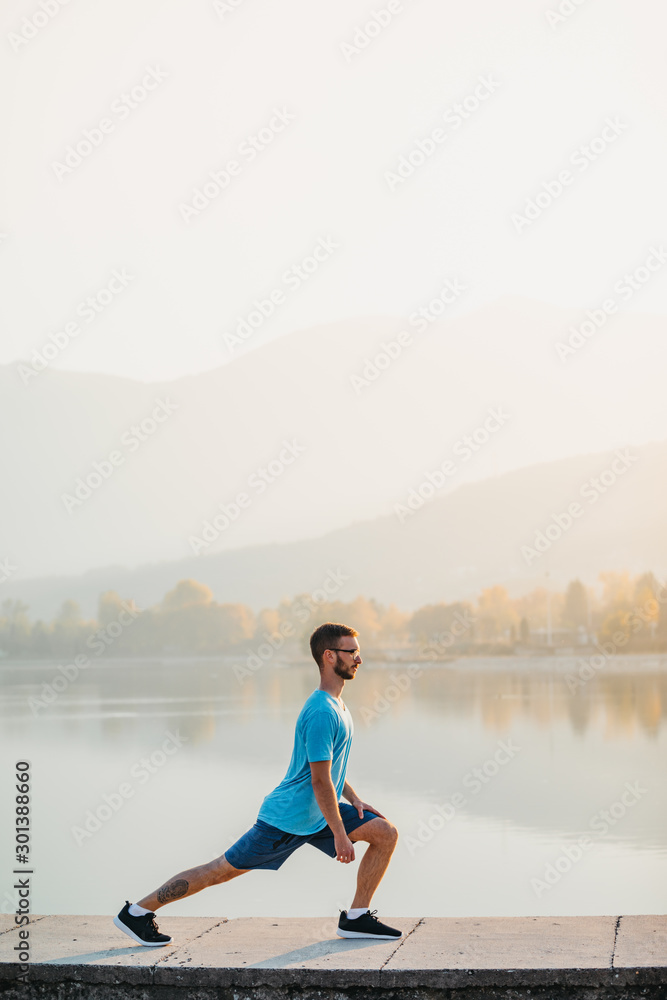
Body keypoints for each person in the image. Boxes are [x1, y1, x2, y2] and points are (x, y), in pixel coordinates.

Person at [113, 621, 401, 946]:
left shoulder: (338, 706)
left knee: (384, 833)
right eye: (352, 652)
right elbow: (320, 782)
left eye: (358, 652)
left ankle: (357, 917)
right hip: (287, 820)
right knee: (217, 871)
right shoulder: (322, 712)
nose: (359, 659)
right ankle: (137, 913)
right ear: (330, 656)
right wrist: (340, 835)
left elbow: (328, 769)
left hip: (319, 814)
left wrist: (355, 798)